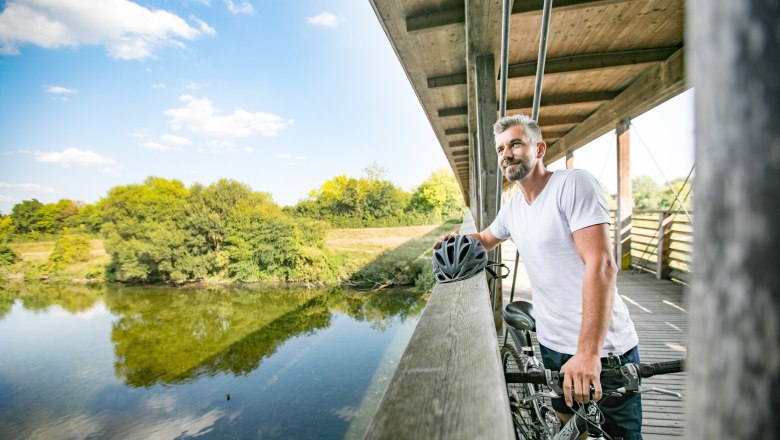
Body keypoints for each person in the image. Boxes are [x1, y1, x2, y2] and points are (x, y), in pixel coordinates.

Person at [438, 114, 641, 439]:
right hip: (551, 342)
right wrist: (457, 241)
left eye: (516, 143)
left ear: (540, 148)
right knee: (568, 425)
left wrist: (588, 352)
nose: (507, 153)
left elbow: (602, 264)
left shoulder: (573, 184)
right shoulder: (513, 208)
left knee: (622, 436)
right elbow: (486, 238)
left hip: (602, 350)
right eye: (502, 148)